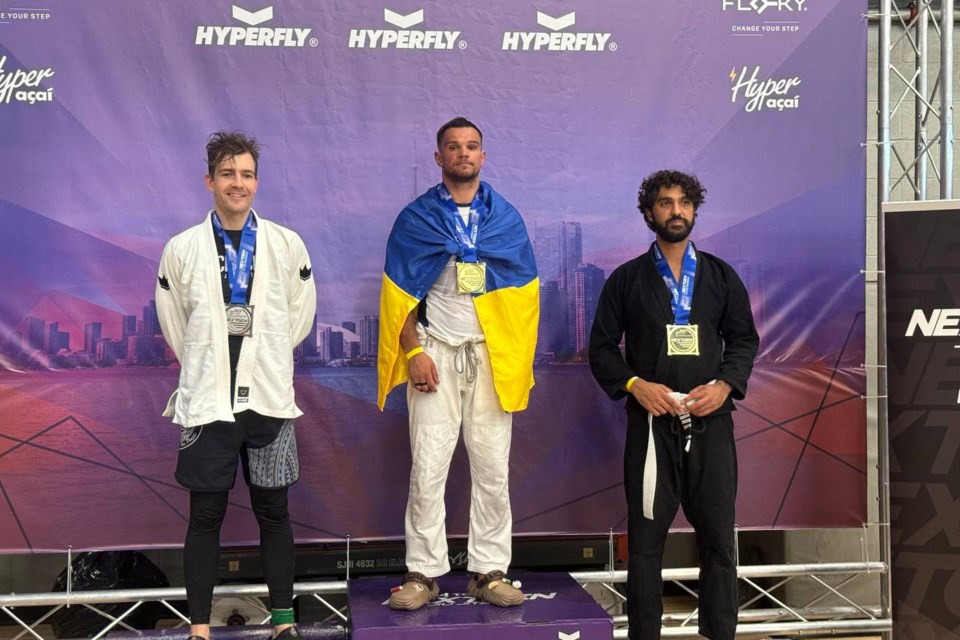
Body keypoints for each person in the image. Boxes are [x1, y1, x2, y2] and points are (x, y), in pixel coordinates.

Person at [155, 131, 316, 640]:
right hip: (207, 403)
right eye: (227, 174)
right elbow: (175, 324)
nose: (237, 183)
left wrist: (261, 357)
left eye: (246, 174)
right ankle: (199, 628)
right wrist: (208, 365)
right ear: (209, 181)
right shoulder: (181, 249)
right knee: (205, 516)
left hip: (269, 398)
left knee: (275, 511)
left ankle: (284, 623)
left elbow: (299, 317)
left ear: (256, 182)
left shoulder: (287, 244)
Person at [375, 117, 539, 610]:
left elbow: (525, 296)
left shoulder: (506, 219)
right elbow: (397, 296)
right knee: (428, 466)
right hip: (436, 354)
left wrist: (509, 357)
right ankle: (422, 573)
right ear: (439, 158)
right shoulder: (416, 218)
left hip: (489, 356)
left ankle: (490, 570)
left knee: (492, 468)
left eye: (472, 147)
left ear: (483, 157)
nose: (463, 154)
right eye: (453, 147)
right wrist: (414, 352)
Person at [588, 170, 759, 640]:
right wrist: (633, 384)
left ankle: (720, 634)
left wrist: (725, 385)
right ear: (649, 213)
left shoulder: (722, 276)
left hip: (711, 421)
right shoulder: (625, 280)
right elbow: (601, 348)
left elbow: (744, 340)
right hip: (651, 424)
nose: (676, 210)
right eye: (665, 203)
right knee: (645, 543)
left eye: (684, 202)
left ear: (695, 210)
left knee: (719, 541)